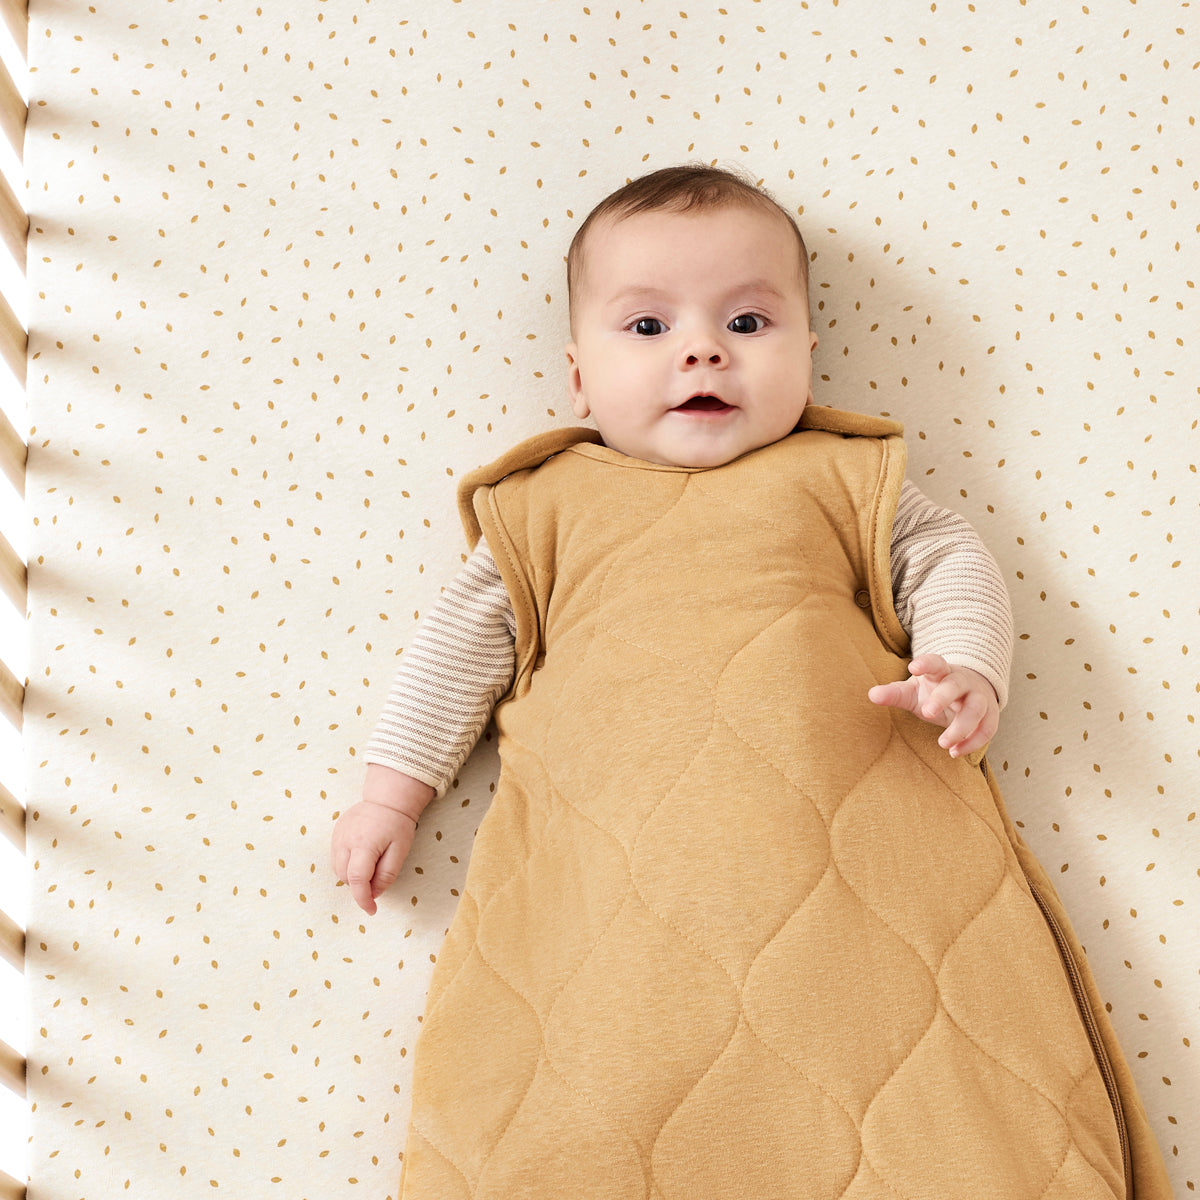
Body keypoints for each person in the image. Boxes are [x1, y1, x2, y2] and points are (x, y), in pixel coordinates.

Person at [331, 166, 1168, 1199]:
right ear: (578, 376)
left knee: (935, 1075)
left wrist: (963, 666)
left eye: (749, 319)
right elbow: (454, 651)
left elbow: (953, 562)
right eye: (647, 327)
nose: (702, 349)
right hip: (617, 891)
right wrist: (390, 793)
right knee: (572, 1077)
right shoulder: (545, 507)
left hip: (848, 847)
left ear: (810, 355)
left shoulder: (838, 476)